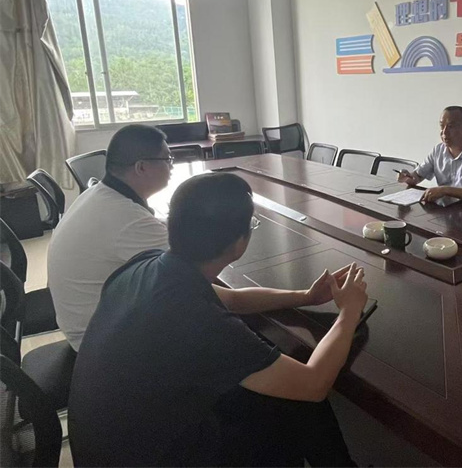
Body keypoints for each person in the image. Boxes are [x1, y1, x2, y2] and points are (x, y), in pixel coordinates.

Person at [68, 172, 367, 467]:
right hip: (151, 457)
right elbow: (314, 383)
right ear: (239, 243)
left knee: (282, 391)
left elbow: (233, 299)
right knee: (299, 400)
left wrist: (305, 296)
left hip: (106, 446)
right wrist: (349, 311)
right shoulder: (199, 322)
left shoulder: (146, 266)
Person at [48, 124, 173, 350]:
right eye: (167, 159)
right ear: (141, 167)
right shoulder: (127, 218)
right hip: (103, 345)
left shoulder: (98, 194)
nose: (171, 166)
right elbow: (191, 270)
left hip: (84, 326)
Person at [396, 106, 462, 204]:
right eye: (442, 126)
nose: (444, 132)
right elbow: (417, 177)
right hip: (442, 209)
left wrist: (446, 190)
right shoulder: (437, 150)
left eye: (450, 127)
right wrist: (407, 177)